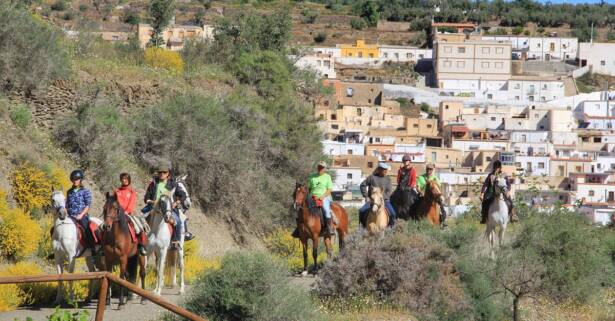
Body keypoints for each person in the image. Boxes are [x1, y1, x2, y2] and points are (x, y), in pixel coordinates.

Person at [143, 162, 189, 249]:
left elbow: (182, 195)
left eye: (164, 172)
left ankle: (175, 241)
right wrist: (151, 201)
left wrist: (176, 202)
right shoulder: (153, 183)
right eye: (160, 172)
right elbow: (146, 197)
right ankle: (140, 243)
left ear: (168, 174)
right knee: (140, 221)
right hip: (153, 207)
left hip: (168, 208)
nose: (161, 174)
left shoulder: (172, 184)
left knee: (178, 221)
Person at [116, 173, 148, 256]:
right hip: (117, 214)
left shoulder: (132, 192)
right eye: (123, 179)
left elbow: (131, 204)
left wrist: (126, 211)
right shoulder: (117, 191)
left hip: (128, 213)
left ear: (129, 180)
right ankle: (103, 246)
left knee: (139, 227)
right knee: (105, 226)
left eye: (126, 179)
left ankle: (141, 246)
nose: (124, 180)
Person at [66, 170, 97, 254]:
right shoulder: (69, 192)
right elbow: (67, 205)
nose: (75, 181)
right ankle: (58, 249)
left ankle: (92, 247)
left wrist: (81, 214)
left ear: (80, 180)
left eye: (77, 179)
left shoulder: (85, 191)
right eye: (73, 179)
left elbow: (88, 205)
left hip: (82, 215)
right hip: (70, 216)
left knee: (87, 228)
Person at [359, 163, 396, 228]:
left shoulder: (388, 179)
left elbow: (389, 191)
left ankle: (391, 230)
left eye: (386, 170)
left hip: (385, 201)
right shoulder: (371, 178)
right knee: (361, 211)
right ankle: (362, 228)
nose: (385, 171)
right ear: (379, 169)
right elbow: (362, 185)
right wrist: (366, 196)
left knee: (393, 214)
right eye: (383, 170)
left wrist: (380, 198)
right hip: (372, 201)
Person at [307, 161, 334, 236]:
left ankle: (330, 228)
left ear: (325, 168)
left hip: (324, 197)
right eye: (319, 167)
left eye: (322, 167)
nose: (320, 168)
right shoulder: (312, 176)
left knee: (326, 209)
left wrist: (322, 196)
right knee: (302, 209)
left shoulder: (327, 177)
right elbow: (309, 188)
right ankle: (299, 229)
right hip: (312, 197)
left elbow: (329, 189)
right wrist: (310, 196)